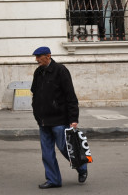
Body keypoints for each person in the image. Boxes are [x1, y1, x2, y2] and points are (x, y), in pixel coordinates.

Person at [30, 46, 88, 189]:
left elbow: (71, 96)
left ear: (48, 56)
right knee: (47, 153)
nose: (36, 60)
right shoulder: (38, 72)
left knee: (65, 148)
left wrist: (74, 119)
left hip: (59, 119)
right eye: (36, 57)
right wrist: (36, 112)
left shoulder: (61, 70)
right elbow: (35, 92)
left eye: (39, 57)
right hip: (43, 120)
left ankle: (82, 167)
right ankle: (53, 180)